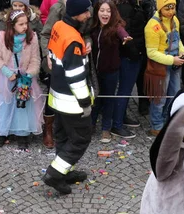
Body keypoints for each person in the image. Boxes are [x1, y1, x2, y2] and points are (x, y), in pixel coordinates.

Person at [42, 0, 96, 195]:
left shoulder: (59, 26)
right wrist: (85, 102)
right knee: (80, 139)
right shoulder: (73, 38)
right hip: (72, 102)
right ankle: (55, 174)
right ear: (76, 14)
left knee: (63, 136)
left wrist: (81, 51)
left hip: (57, 96)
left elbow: (55, 55)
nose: (89, 15)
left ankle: (66, 170)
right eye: (85, 12)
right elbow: (75, 76)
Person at [0, 9, 44, 149]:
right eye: (21, 24)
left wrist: (29, 75)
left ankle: (22, 134)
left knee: (23, 105)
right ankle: (3, 132)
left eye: (26, 23)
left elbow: (35, 59)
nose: (25, 26)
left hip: (24, 76)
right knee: (5, 103)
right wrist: (7, 72)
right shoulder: (1, 37)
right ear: (12, 25)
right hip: (6, 76)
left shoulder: (32, 37)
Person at [89, 0, 133, 143]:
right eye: (102, 10)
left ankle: (106, 129)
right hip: (94, 71)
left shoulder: (116, 27)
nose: (105, 13)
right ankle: (91, 126)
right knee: (95, 99)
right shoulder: (92, 27)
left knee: (109, 100)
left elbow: (121, 32)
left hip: (111, 71)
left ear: (113, 13)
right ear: (97, 11)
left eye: (108, 11)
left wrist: (125, 37)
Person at [143, 0, 184, 136]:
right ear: (160, 8)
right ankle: (156, 125)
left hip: (175, 63)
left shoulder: (175, 21)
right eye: (167, 9)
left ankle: (168, 121)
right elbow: (151, 52)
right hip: (160, 66)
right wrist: (171, 60)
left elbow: (177, 39)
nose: (171, 12)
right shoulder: (152, 26)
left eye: (173, 8)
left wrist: (182, 51)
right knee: (159, 97)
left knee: (174, 93)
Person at [113, 0, 151, 134]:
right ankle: (117, 124)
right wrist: (136, 52)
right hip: (130, 55)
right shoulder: (125, 8)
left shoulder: (135, 5)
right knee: (124, 90)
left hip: (134, 53)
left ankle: (121, 117)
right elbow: (127, 34)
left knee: (126, 90)